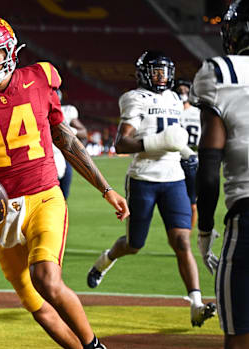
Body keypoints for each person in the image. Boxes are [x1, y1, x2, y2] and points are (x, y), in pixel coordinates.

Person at [0, 15, 128, 349]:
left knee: (47, 280)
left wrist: (105, 188)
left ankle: (94, 345)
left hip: (44, 198)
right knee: (37, 305)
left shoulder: (39, 78)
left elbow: (66, 140)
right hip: (0, 213)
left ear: (10, 51)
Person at [85, 50, 216, 327]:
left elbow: (175, 136)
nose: (162, 76)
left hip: (173, 178)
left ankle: (195, 304)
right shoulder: (134, 98)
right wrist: (158, 142)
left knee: (182, 242)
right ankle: (105, 261)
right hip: (144, 179)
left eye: (165, 71)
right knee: (134, 244)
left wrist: (184, 152)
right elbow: (121, 143)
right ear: (144, 73)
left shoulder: (172, 98)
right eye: (156, 71)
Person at [193, 1, 249, 347]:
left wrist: (204, 230)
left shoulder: (219, 72)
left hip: (247, 213)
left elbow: (210, 168)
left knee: (239, 337)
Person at [174, 79, 201, 230]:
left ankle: (186, 236)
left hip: (192, 159)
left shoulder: (197, 113)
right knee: (179, 200)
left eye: (185, 89)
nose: (183, 93)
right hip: (176, 158)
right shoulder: (173, 110)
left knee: (192, 202)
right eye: (180, 90)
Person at [55, 89, 88, 199]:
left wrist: (71, 131)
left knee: (64, 197)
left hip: (64, 156)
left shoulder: (66, 111)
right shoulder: (37, 111)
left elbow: (83, 132)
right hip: (46, 157)